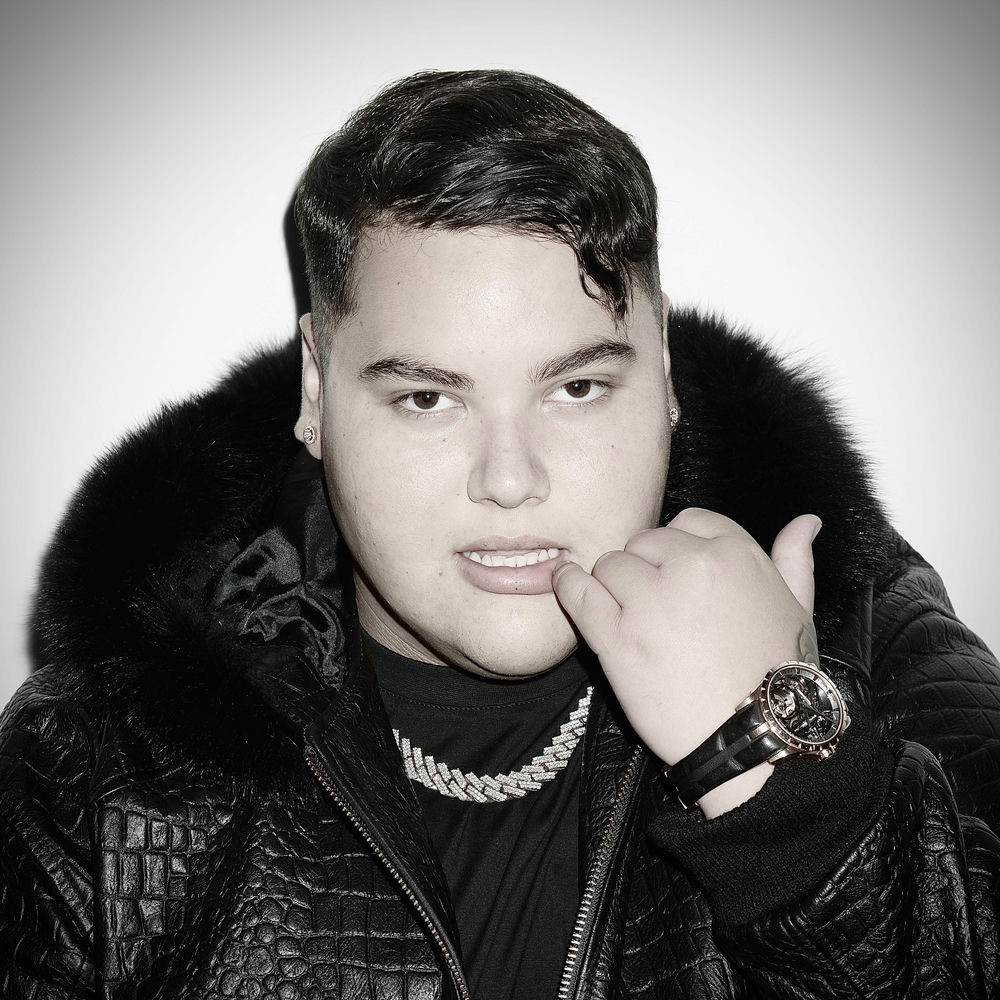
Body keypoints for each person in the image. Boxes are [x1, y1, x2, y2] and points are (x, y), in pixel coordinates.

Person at [1, 69, 997, 1000]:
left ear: (661, 368)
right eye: (428, 398)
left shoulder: (870, 636)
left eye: (577, 387)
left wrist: (789, 798)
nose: (511, 480)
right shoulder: (87, 770)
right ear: (315, 390)